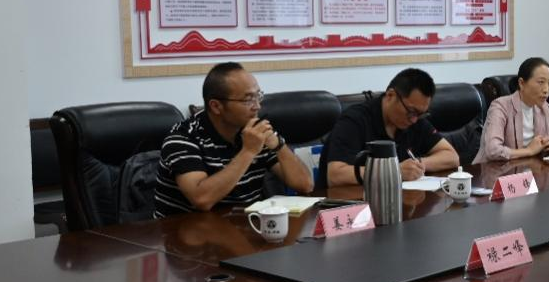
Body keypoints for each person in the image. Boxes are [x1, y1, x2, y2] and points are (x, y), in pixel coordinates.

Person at [154, 62, 313, 217]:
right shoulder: (183, 138)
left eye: (258, 96)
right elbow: (202, 200)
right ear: (216, 106)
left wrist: (278, 145)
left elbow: (305, 185)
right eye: (248, 100)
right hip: (184, 230)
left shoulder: (255, 129)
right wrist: (248, 151)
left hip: (245, 225)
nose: (257, 106)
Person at [322, 68, 459, 186]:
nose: (414, 120)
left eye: (420, 114)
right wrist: (394, 171)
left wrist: (417, 165)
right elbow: (335, 175)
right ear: (390, 95)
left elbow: (452, 157)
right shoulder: (354, 120)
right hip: (349, 203)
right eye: (411, 111)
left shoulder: (416, 119)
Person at [473, 57, 549, 163]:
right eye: (541, 82)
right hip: (494, 169)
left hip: (529, 169)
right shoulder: (500, 106)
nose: (546, 89)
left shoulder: (545, 108)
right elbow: (493, 150)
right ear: (522, 83)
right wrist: (529, 151)